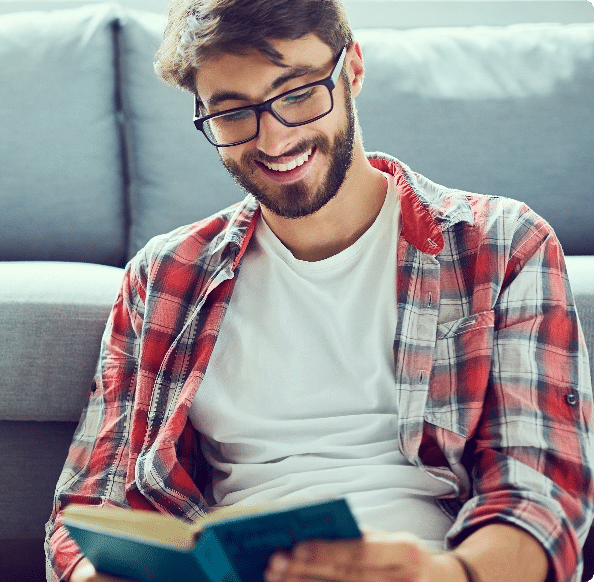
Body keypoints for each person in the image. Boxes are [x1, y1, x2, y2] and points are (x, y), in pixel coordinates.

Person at [43, 0, 594, 581]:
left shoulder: (502, 243)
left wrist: (448, 575)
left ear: (351, 69)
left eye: (299, 93)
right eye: (232, 113)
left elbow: (541, 496)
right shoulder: (164, 277)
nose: (274, 138)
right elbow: (88, 508)